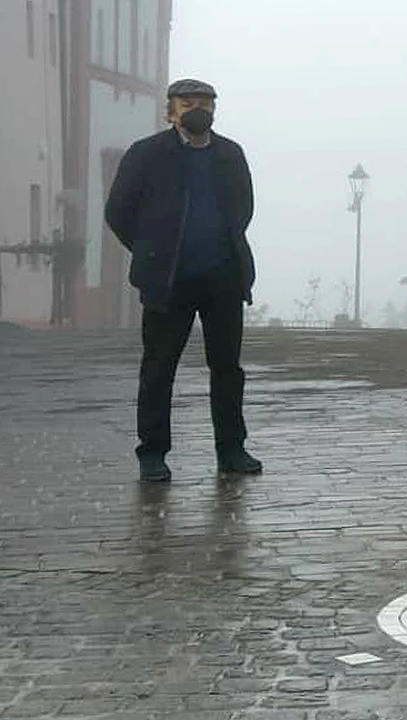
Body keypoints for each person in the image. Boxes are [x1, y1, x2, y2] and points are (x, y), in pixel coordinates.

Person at [105, 78, 260, 483]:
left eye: (205, 102)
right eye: (187, 102)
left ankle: (232, 449)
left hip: (223, 277)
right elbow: (119, 212)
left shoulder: (230, 154)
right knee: (158, 369)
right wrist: (150, 250)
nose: (198, 109)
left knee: (227, 368)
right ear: (171, 109)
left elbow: (243, 209)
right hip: (167, 280)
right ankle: (152, 453)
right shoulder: (147, 154)